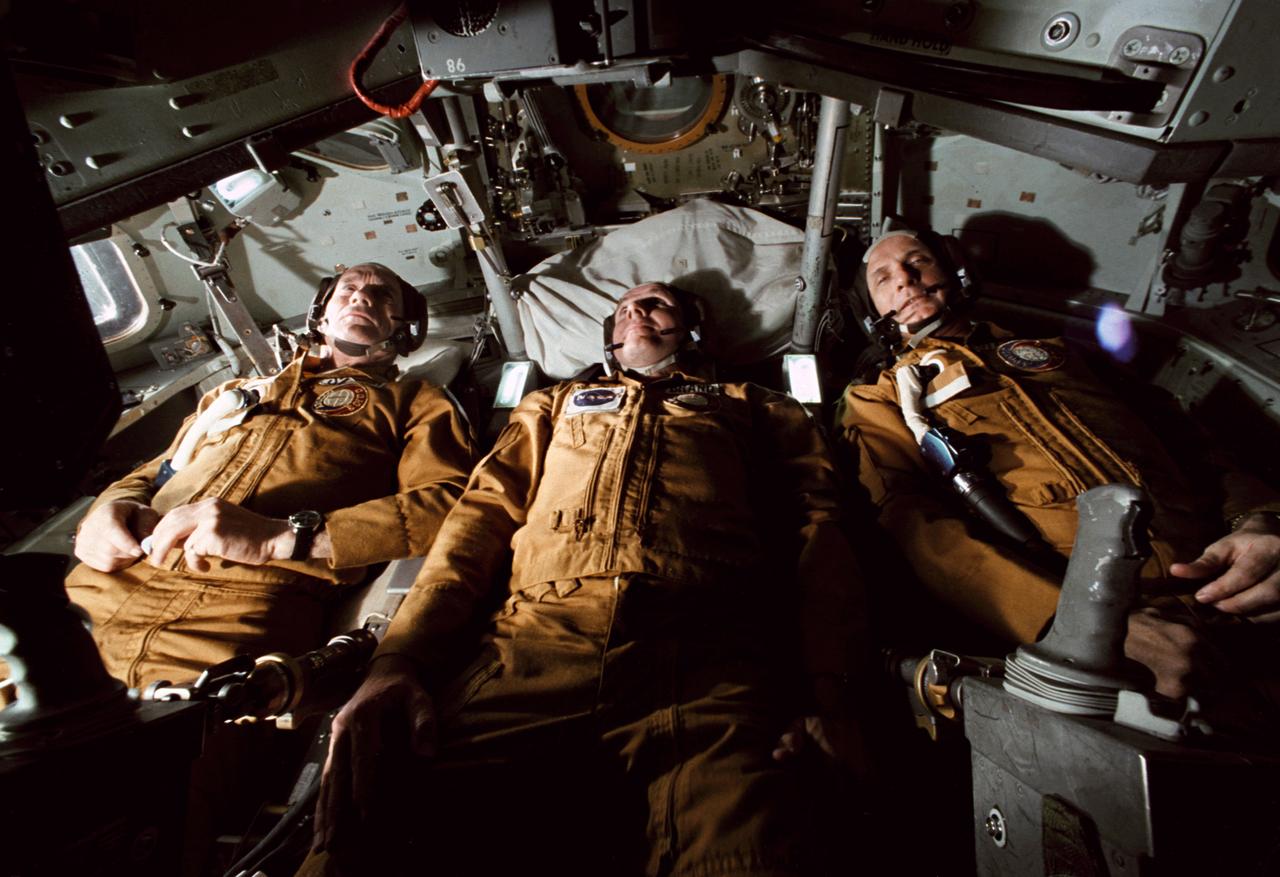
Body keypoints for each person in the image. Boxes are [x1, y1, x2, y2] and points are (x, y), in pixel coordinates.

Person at [306, 282, 867, 876]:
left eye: (656, 304)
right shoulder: (553, 403)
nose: (637, 312)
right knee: (380, 840)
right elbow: (481, 517)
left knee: (748, 852)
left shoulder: (756, 404)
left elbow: (818, 529)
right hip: (535, 644)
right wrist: (400, 658)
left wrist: (833, 690)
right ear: (609, 337)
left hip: (711, 651)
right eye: (625, 308)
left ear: (693, 326)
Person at [834, 225, 1280, 701]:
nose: (903, 278)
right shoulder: (878, 398)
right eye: (883, 278)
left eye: (917, 260)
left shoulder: (1065, 351)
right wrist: (1074, 627)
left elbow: (1191, 443)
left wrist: (1261, 520)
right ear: (871, 312)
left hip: (1229, 585)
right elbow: (915, 528)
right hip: (1109, 629)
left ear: (955, 266)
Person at [64, 262, 478, 690]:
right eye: (348, 289)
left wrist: (281, 537)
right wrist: (104, 513)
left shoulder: (413, 401)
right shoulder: (231, 394)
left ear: (404, 328)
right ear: (321, 313)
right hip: (93, 592)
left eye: (382, 295)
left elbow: (448, 503)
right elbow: (154, 472)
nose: (361, 297)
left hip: (237, 611)